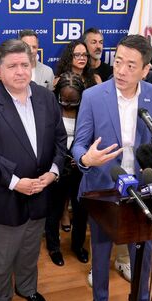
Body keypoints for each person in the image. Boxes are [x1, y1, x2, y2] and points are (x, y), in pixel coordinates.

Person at [0, 39, 67, 301]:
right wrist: (14, 182)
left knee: (29, 250)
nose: (20, 71)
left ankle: (27, 288)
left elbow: (60, 140)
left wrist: (54, 172)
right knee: (0, 257)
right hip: (2, 194)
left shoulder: (46, 98)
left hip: (40, 189)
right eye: (12, 66)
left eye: (25, 64)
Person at [72, 34, 152, 301]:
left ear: (145, 69)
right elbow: (78, 145)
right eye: (119, 61)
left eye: (131, 65)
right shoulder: (93, 96)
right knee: (101, 248)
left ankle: (140, 299)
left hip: (142, 186)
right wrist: (86, 159)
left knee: (145, 248)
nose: (121, 70)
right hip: (103, 185)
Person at [45, 72, 90, 266]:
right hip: (57, 168)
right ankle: (54, 248)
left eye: (73, 102)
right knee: (54, 211)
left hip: (80, 169)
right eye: (64, 101)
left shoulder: (88, 110)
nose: (68, 105)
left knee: (81, 212)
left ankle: (78, 246)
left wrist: (81, 156)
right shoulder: (50, 109)